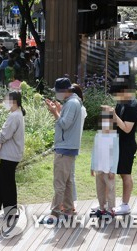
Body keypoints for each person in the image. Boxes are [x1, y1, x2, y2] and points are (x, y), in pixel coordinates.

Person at [42, 78, 82, 224]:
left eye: (57, 91)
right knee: (68, 181)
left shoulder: (71, 103)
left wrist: (54, 112)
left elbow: (64, 124)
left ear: (64, 90)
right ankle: (69, 210)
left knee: (59, 182)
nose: (56, 94)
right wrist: (59, 111)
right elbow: (68, 123)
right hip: (69, 147)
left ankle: (55, 213)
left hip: (65, 148)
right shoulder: (74, 101)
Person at [104, 81, 137, 215]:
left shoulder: (132, 106)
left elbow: (126, 128)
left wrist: (113, 115)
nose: (116, 97)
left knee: (125, 174)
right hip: (116, 142)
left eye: (117, 94)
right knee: (111, 173)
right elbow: (115, 122)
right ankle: (106, 203)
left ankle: (125, 205)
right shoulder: (121, 103)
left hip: (127, 145)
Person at [90, 109, 119, 217]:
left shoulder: (114, 137)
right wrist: (92, 167)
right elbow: (94, 152)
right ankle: (102, 207)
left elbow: (116, 155)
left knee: (111, 189)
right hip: (99, 168)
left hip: (109, 169)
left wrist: (113, 170)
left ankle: (111, 209)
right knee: (100, 189)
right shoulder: (98, 136)